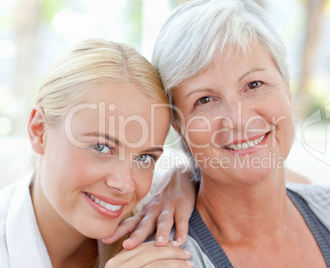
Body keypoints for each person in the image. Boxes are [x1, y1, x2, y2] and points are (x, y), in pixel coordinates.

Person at [120, 0, 330, 267]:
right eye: (204, 100)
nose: (239, 119)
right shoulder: (165, 259)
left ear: (287, 88)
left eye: (254, 84)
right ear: (179, 127)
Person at [0, 39, 195, 267]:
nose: (124, 184)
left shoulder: (160, 206)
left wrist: (184, 181)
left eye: (145, 158)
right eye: (101, 147)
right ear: (39, 130)